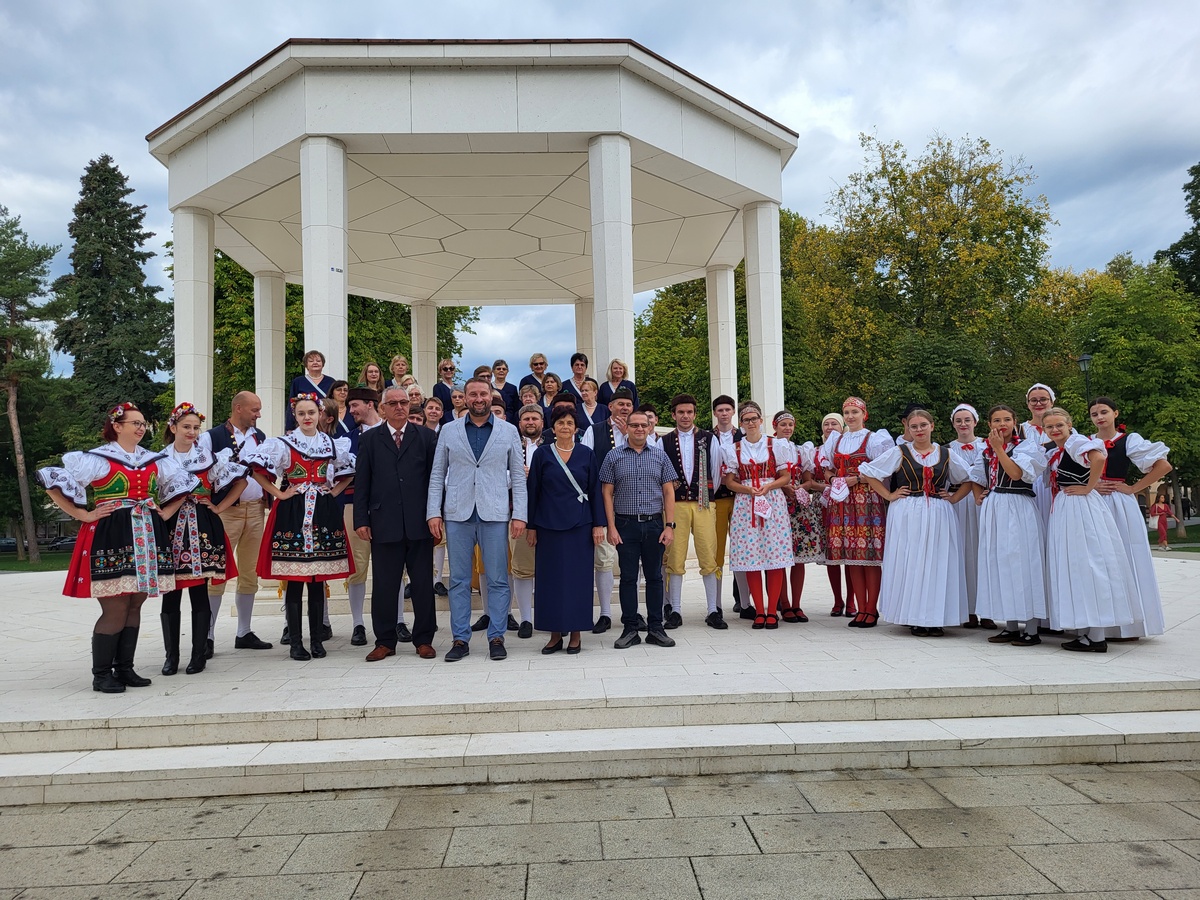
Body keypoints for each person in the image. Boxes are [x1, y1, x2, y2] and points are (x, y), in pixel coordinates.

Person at [38, 402, 196, 693]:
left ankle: (124, 668)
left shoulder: (153, 459)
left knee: (135, 601)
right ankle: (101, 674)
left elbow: (185, 485)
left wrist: (166, 511)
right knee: (115, 605)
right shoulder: (95, 459)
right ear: (117, 426)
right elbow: (53, 482)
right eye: (134, 423)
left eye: (142, 423)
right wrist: (83, 515)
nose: (140, 428)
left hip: (147, 533)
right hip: (112, 535)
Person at [245, 394, 355, 660]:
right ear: (294, 416)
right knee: (294, 580)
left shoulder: (331, 443)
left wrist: (333, 492)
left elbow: (349, 470)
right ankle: (296, 642)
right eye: (302, 413)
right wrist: (279, 494)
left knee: (317, 580)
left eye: (311, 413)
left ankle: (317, 640)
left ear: (320, 415)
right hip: (293, 511)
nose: (307, 418)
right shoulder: (283, 443)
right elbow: (256, 470)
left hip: (322, 511)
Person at [427, 377, 528, 662]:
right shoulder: (449, 430)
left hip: (494, 513)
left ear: (491, 397)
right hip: (458, 513)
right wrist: (433, 511)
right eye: (473, 394)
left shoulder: (508, 431)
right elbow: (437, 475)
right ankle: (460, 639)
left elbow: (518, 478)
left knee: (497, 578)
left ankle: (496, 635)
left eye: (483, 393)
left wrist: (519, 514)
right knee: (458, 580)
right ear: (465, 398)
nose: (479, 398)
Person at [859, 409, 971, 636]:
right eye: (914, 426)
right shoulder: (899, 452)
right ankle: (914, 616)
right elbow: (869, 472)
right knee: (911, 561)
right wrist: (888, 495)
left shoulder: (946, 453)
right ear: (908, 429)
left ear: (932, 426)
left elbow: (969, 478)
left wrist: (954, 498)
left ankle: (935, 617)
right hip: (908, 510)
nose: (919, 430)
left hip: (939, 513)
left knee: (937, 563)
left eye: (923, 425)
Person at [158, 402, 249, 676]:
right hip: (171, 527)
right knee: (171, 594)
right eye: (186, 427)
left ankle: (198, 655)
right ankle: (171, 656)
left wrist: (219, 508)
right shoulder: (159, 459)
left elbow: (241, 480)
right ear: (172, 427)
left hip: (201, 526)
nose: (192, 432)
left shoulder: (208, 457)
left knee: (199, 592)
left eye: (196, 428)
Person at [1041, 406, 1137, 652]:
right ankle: (1086, 633)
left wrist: (1088, 487)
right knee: (1075, 564)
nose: (1055, 430)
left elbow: (1099, 458)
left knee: (1087, 562)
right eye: (1049, 427)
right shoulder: (1059, 449)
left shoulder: (1076, 442)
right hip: (1067, 505)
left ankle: (1096, 636)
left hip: (1080, 506)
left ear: (1069, 424)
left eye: (1059, 425)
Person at [355, 385, 439, 660]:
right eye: (393, 403)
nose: (400, 407)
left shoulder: (426, 437)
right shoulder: (369, 440)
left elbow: (434, 482)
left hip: (419, 523)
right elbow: (362, 483)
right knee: (385, 585)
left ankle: (424, 639)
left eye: (404, 402)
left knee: (423, 585)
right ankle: (385, 641)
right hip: (384, 522)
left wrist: (435, 516)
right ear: (382, 408)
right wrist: (361, 520)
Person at [526, 406, 607, 654]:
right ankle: (553, 634)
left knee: (577, 581)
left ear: (576, 428)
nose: (565, 427)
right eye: (560, 422)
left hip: (580, 525)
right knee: (550, 581)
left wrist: (598, 524)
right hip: (548, 526)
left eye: (570, 423)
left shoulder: (586, 454)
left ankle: (575, 634)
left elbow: (595, 491)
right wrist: (531, 526)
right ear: (553, 427)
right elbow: (533, 492)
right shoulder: (541, 454)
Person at [1089, 396, 1171, 640]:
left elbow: (1163, 466)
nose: (1099, 417)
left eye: (1104, 412)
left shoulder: (1129, 440)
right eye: (1094, 414)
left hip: (1118, 503)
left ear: (1115, 413)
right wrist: (1091, 487)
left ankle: (1129, 625)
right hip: (1093, 502)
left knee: (1124, 555)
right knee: (1098, 557)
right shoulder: (1087, 442)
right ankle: (1101, 623)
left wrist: (1134, 487)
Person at [970, 404, 1050, 647]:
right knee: (1000, 563)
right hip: (995, 506)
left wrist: (999, 450)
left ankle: (1032, 628)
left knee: (1023, 563)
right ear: (989, 424)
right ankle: (1011, 625)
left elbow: (1016, 474)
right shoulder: (985, 451)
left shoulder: (1026, 446)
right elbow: (976, 477)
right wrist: (977, 495)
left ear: (1015, 422)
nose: (1001, 424)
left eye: (1006, 419)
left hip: (1018, 505)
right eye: (996, 420)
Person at [600, 409, 676, 650]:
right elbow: (607, 492)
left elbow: (668, 491)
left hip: (654, 524)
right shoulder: (613, 456)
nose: (640, 429)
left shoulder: (660, 456)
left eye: (644, 425)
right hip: (625, 525)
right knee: (628, 578)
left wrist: (669, 526)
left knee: (654, 577)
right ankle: (630, 628)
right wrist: (611, 527)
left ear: (650, 427)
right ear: (627, 428)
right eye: (635, 425)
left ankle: (656, 628)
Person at [205, 392, 273, 655]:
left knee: (249, 572)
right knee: (217, 572)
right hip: (226, 512)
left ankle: (243, 631)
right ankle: (207, 634)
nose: (258, 414)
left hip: (255, 510)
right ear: (238, 408)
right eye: (255, 410)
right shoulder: (212, 437)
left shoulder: (260, 437)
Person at [721, 401, 794, 629]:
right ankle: (759, 610)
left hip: (772, 502)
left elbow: (786, 477)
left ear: (761, 421)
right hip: (746, 504)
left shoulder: (776, 445)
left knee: (774, 555)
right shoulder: (733, 449)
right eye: (746, 420)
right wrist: (747, 489)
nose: (751, 423)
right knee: (751, 557)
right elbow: (729, 482)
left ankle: (772, 610)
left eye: (754, 418)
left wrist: (768, 486)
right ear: (741, 424)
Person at [821, 397, 893, 628]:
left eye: (855, 412)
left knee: (868, 557)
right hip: (842, 501)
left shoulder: (875, 439)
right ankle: (860, 609)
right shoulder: (836, 439)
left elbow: (885, 468)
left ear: (864, 414)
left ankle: (871, 609)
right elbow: (827, 468)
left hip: (867, 500)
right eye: (847, 412)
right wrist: (833, 479)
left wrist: (859, 478)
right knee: (851, 556)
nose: (851, 416)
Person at [660, 394, 724, 629]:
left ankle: (713, 610)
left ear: (695, 414)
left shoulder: (709, 439)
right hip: (675, 505)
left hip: (704, 503)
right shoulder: (663, 441)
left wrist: (704, 493)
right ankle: (675, 610)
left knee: (708, 554)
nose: (685, 416)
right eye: (681, 412)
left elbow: (716, 473)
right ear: (673, 415)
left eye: (689, 412)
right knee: (675, 556)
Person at [581, 387, 635, 633]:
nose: (624, 408)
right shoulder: (594, 431)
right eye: (620, 404)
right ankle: (604, 613)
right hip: (603, 504)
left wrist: (629, 435)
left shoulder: (641, 431)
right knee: (603, 560)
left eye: (628, 404)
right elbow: (585, 466)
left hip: (634, 505)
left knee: (632, 562)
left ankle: (631, 614)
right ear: (610, 406)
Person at [341, 387, 386, 646]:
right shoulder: (347, 439)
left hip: (389, 507)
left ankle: (398, 620)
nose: (351, 411)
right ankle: (358, 623)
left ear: (370, 404)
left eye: (355, 405)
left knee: (393, 568)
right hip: (354, 504)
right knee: (357, 567)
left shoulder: (391, 433)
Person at [948, 404, 991, 629]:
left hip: (981, 502)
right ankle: (967, 609)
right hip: (957, 502)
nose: (963, 424)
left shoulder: (988, 446)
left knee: (983, 553)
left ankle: (988, 609)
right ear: (953, 424)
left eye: (967, 420)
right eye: (958, 420)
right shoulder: (945, 449)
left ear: (975, 422)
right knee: (963, 554)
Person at [772, 411, 814, 624]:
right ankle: (784, 603)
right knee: (779, 557)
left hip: (797, 507)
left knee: (798, 559)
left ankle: (796, 603)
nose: (787, 428)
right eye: (783, 425)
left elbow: (809, 479)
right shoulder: (769, 449)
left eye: (790, 425)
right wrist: (783, 487)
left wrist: (800, 487)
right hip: (778, 505)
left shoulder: (800, 451)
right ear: (775, 427)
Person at [510, 404, 546, 637]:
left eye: (534, 418)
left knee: (550, 567)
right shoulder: (511, 444)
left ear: (542, 421)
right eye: (526, 419)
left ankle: (548, 613)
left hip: (549, 512)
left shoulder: (553, 444)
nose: (530, 422)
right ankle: (525, 619)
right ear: (520, 422)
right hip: (519, 513)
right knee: (522, 567)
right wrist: (514, 475)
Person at [816, 413, 855, 618]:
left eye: (834, 423)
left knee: (850, 553)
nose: (830, 427)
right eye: (826, 424)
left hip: (850, 502)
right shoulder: (818, 450)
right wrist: (830, 481)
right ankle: (837, 599)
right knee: (832, 555)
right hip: (828, 505)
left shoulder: (849, 446)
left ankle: (851, 601)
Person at [710, 395, 746, 617]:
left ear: (733, 412)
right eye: (720, 410)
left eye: (727, 410)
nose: (724, 413)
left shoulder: (744, 435)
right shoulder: (706, 437)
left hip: (742, 497)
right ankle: (715, 603)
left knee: (741, 548)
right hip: (718, 498)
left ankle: (743, 600)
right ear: (715, 413)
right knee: (716, 551)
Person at [1021, 383, 1057, 525]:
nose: (1038, 403)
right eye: (1033, 400)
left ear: (1052, 401)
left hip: (1054, 486)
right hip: (1027, 487)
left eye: (1043, 399)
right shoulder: (1018, 430)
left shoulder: (1065, 429)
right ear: (1028, 404)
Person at [285, 349, 336, 430]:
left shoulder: (331, 381)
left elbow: (336, 404)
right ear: (306, 365)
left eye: (318, 361)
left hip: (325, 422)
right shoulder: (298, 382)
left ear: (322, 364)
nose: (315, 363)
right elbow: (291, 404)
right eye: (311, 361)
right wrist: (289, 428)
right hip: (305, 420)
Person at [492, 358, 520, 423]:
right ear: (493, 371)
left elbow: (515, 407)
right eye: (498, 369)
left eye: (504, 369)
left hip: (510, 421)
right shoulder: (489, 387)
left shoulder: (512, 388)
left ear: (507, 371)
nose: (501, 371)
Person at [433, 359, 458, 425]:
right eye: (445, 369)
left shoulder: (458, 387)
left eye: (451, 368)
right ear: (440, 372)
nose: (449, 370)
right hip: (446, 421)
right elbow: (439, 406)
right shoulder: (438, 387)